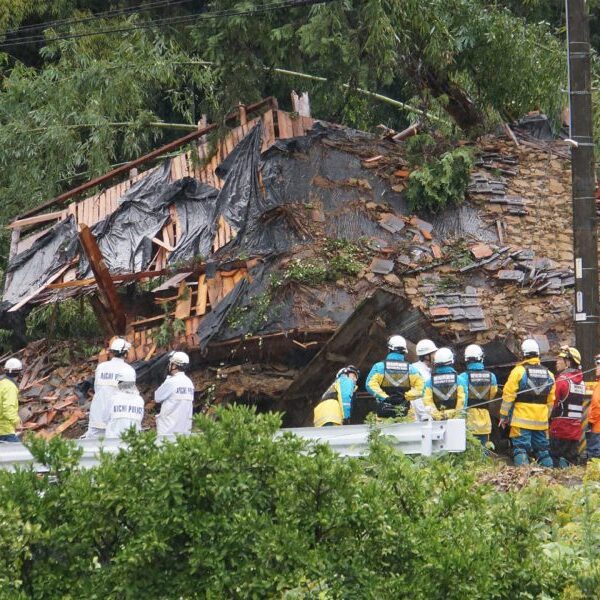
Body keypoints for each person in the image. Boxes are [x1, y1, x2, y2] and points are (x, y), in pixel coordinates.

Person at [499, 338, 555, 467]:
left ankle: (523, 477)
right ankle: (550, 478)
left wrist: (503, 415)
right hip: (541, 421)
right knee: (543, 451)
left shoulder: (518, 371)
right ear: (538, 353)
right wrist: (545, 418)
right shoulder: (550, 374)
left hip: (521, 419)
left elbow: (508, 396)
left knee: (520, 449)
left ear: (523, 354)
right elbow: (551, 401)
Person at [86, 337, 136, 438]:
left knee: (92, 449)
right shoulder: (128, 370)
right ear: (125, 354)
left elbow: (97, 389)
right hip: (116, 419)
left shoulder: (101, 367)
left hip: (97, 416)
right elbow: (129, 395)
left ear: (112, 353)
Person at [366, 335, 424, 418]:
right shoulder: (411, 370)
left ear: (389, 349)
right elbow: (421, 389)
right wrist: (405, 397)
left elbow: (369, 385)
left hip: (384, 414)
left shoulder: (379, 367)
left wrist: (385, 398)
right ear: (404, 351)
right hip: (404, 414)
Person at [549, 346, 586, 468]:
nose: (557, 361)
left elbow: (552, 404)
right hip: (575, 431)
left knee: (556, 463)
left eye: (560, 359)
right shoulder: (581, 382)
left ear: (568, 362)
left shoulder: (562, 381)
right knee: (572, 462)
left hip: (559, 429)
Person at [457, 344, 497, 446]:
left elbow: (460, 398)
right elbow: (492, 394)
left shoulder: (462, 377)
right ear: (481, 358)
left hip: (468, 419)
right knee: (484, 448)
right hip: (485, 418)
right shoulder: (491, 377)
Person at [154, 351, 195, 435]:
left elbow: (157, 397)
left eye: (170, 363)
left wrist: (167, 379)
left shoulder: (171, 382)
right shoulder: (189, 383)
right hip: (184, 432)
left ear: (175, 365)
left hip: (168, 431)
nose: (169, 365)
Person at [422, 348, 467, 420]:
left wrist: (438, 417)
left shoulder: (429, 382)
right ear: (451, 361)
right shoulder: (460, 380)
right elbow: (462, 402)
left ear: (435, 363)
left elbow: (428, 403)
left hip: (437, 423)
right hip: (456, 422)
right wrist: (456, 418)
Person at [105, 371, 145, 438]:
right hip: (134, 440)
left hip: (113, 439)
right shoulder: (139, 400)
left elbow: (105, 418)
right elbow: (140, 419)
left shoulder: (113, 399)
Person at [0, 358, 24, 442]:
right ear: (19, 374)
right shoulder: (10, 387)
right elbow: (8, 408)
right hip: (5, 431)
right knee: (19, 454)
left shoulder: (2, 383)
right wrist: (16, 422)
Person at [588, 354, 600, 459]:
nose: (596, 368)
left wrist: (590, 420)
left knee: (594, 456)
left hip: (597, 427)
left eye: (597, 365)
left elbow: (596, 405)